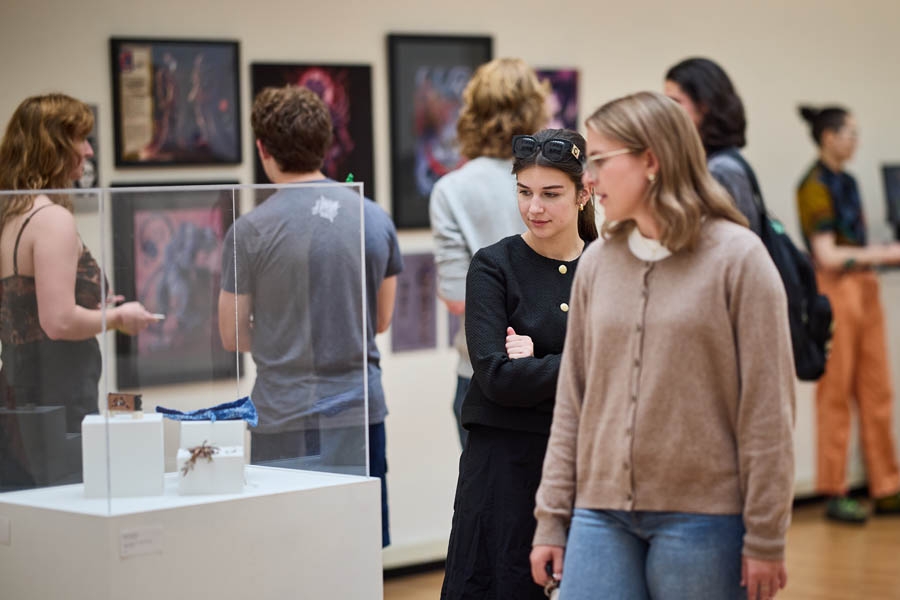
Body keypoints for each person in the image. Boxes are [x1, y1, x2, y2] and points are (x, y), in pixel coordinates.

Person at [530, 92, 796, 600]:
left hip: (704, 518)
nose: (589, 178)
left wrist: (766, 535)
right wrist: (552, 517)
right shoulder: (598, 263)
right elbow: (573, 402)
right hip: (599, 511)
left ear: (651, 160)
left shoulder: (740, 260)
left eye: (601, 161)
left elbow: (768, 412)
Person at [217, 85, 402, 547]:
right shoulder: (375, 219)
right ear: (326, 145)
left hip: (283, 414)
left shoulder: (250, 230)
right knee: (353, 551)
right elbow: (381, 320)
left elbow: (231, 335)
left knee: (286, 550)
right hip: (357, 413)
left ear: (263, 149)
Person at [441, 128, 597, 600]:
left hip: (581, 463)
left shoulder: (607, 266)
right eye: (525, 192)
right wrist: (581, 365)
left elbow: (633, 369)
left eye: (551, 194)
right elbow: (495, 377)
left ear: (584, 192)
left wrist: (541, 363)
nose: (535, 207)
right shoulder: (492, 266)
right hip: (501, 471)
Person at [0, 93, 155, 488]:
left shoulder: (11, 216)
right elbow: (57, 321)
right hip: (59, 395)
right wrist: (118, 317)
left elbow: (28, 307)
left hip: (21, 390)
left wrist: (97, 305)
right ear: (53, 145)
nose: (88, 151)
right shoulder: (51, 219)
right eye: (81, 140)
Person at [429, 57, 549, 449]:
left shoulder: (452, 190)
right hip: (553, 367)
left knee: (488, 505)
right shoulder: (559, 183)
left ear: (473, 114)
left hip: (482, 370)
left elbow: (455, 298)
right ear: (535, 108)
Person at [796, 105, 900, 523]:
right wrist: (885, 254)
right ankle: (834, 488)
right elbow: (828, 255)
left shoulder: (850, 181)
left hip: (866, 288)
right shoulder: (813, 186)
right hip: (834, 291)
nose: (855, 141)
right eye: (849, 133)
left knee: (877, 390)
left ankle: (886, 484)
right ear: (828, 137)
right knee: (835, 391)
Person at [664, 57, 763, 235]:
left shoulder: (722, 170)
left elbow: (734, 246)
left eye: (675, 102)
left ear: (704, 106)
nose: (667, 113)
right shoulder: (704, 163)